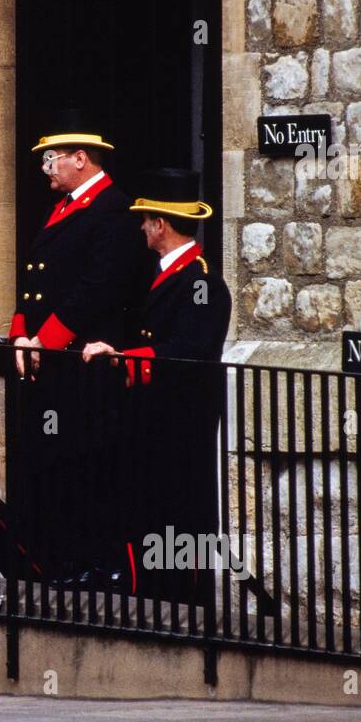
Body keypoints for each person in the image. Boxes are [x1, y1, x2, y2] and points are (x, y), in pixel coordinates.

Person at [7, 112, 149, 582]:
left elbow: (97, 288)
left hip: (83, 363)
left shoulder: (113, 210)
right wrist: (18, 336)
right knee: (53, 462)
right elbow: (34, 280)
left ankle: (95, 563)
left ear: (81, 159)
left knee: (86, 462)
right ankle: (57, 559)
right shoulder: (66, 206)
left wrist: (43, 342)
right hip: (51, 360)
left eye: (52, 159)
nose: (46, 168)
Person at [82, 167, 232, 602]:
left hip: (181, 424)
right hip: (154, 420)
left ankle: (184, 605)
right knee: (147, 508)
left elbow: (191, 349)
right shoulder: (167, 273)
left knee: (179, 513)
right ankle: (148, 594)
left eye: (146, 219)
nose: (142, 227)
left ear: (160, 224)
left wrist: (128, 359)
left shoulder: (200, 281)